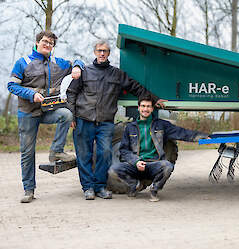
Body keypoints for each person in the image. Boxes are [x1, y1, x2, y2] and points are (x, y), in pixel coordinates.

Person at [67, 39, 166, 200]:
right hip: (84, 119)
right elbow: (71, 93)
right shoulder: (85, 72)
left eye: (105, 51)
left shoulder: (116, 74)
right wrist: (71, 115)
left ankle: (99, 187)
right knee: (84, 155)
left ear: (109, 54)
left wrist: (153, 99)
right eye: (99, 50)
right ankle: (88, 188)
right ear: (95, 52)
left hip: (105, 122)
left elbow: (136, 87)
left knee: (105, 154)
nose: (102, 53)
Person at [8, 30, 84, 203]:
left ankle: (56, 151)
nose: (47, 45)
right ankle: (29, 190)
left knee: (66, 114)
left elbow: (77, 62)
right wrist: (30, 94)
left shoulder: (58, 63)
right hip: (28, 112)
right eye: (45, 41)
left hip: (48, 110)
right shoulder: (23, 62)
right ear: (37, 43)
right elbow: (11, 85)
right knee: (28, 153)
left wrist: (78, 67)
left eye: (51, 43)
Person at [108, 95, 208, 202]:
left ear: (152, 109)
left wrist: (202, 136)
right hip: (136, 165)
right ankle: (135, 185)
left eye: (148, 106)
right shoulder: (130, 127)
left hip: (153, 165)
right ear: (138, 108)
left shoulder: (161, 125)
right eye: (143, 106)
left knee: (168, 166)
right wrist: (136, 161)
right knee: (113, 170)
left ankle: (154, 189)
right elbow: (124, 150)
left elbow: (181, 133)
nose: (145, 109)